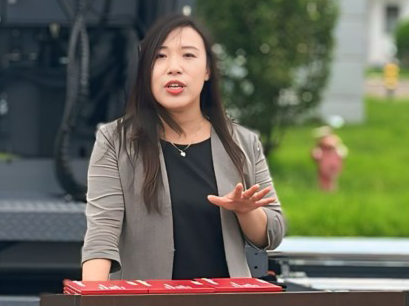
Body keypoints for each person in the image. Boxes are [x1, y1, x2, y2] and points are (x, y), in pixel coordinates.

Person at [80, 14, 284, 282]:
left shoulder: (242, 143)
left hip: (225, 305)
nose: (173, 67)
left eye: (188, 55)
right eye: (160, 56)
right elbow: (101, 235)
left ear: (208, 70)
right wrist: (92, 300)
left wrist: (246, 211)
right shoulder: (115, 141)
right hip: (146, 304)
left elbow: (272, 234)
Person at [311, 126, 347, 192]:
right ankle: (324, 189)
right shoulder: (320, 149)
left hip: (333, 165)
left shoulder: (336, 146)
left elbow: (342, 154)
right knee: (324, 178)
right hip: (324, 166)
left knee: (332, 178)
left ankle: (331, 189)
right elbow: (315, 155)